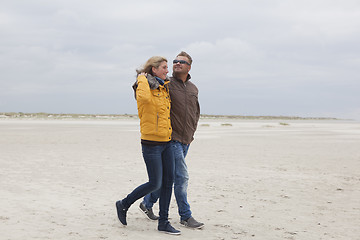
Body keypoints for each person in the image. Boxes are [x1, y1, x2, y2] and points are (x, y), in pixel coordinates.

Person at [115, 56, 181, 235]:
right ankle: (124, 204)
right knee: (155, 183)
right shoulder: (143, 85)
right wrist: (142, 78)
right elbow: (143, 99)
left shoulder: (163, 87)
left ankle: (164, 222)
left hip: (166, 142)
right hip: (151, 143)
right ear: (154, 69)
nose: (168, 70)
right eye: (164, 67)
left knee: (168, 183)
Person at [139, 51, 204, 229]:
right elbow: (147, 93)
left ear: (189, 67)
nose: (177, 64)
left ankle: (147, 203)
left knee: (169, 178)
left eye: (181, 62)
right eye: (175, 61)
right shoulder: (166, 83)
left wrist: (192, 132)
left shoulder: (193, 88)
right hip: (171, 139)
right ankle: (185, 216)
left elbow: (195, 112)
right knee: (181, 177)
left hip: (186, 139)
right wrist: (144, 77)